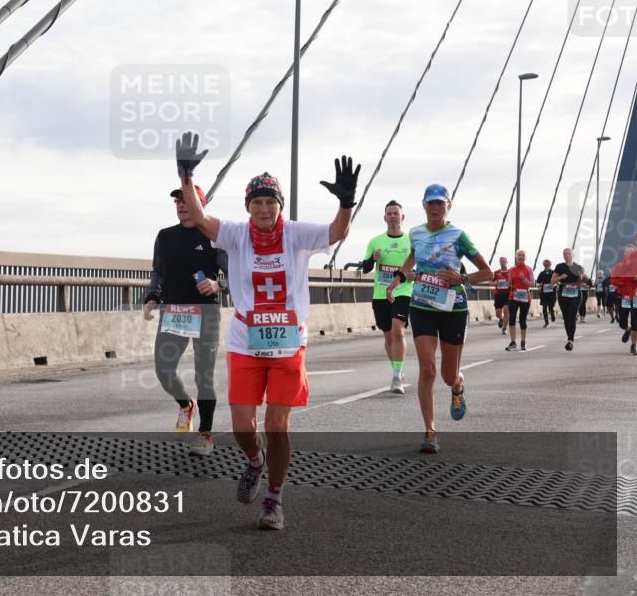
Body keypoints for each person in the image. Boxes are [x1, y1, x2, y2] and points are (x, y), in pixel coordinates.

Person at [176, 130, 358, 531]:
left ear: (280, 205)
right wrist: (186, 178)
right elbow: (202, 220)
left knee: (277, 425)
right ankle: (254, 463)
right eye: (256, 202)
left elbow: (335, 233)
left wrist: (346, 203)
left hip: (289, 341)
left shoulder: (295, 234)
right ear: (248, 207)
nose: (263, 208)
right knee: (243, 428)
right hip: (245, 340)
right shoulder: (237, 234)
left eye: (270, 201)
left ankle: (274, 497)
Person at [386, 184, 493, 454]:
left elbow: (487, 272)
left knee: (446, 376)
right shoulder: (416, 233)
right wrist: (398, 279)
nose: (435, 208)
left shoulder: (459, 235)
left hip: (453, 310)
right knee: (426, 370)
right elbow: (412, 257)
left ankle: (458, 384)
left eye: (439, 203)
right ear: (423, 206)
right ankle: (430, 431)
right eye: (430, 203)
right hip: (422, 305)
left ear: (448, 205)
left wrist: (462, 278)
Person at [143, 183, 228, 455]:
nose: (180, 204)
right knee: (163, 370)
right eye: (177, 201)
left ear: (198, 204)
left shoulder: (214, 236)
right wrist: (152, 296)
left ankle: (205, 434)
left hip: (206, 312)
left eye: (185, 200)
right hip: (175, 312)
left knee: (205, 375)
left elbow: (232, 273)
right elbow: (159, 272)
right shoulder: (165, 236)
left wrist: (218, 285)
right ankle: (185, 405)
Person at [361, 200, 412, 393]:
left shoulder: (410, 241)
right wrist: (371, 259)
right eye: (389, 214)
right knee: (389, 337)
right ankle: (397, 367)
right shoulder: (376, 241)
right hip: (381, 294)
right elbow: (365, 269)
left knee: (398, 331)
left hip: (403, 291)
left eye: (396, 213)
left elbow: (416, 266)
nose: (392, 216)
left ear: (402, 217)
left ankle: (396, 377)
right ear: (385, 218)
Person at [550, 248, 589, 351]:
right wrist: (561, 277)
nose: (566, 255)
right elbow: (552, 282)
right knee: (566, 318)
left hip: (576, 295)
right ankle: (569, 337)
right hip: (563, 295)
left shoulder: (579, 267)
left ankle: (570, 340)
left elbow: (584, 279)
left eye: (568, 254)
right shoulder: (560, 266)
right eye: (564, 254)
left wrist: (584, 278)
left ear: (573, 255)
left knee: (571, 316)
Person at [505, 250, 534, 352]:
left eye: (523, 255)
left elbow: (532, 284)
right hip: (513, 296)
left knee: (522, 319)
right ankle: (513, 342)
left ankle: (523, 341)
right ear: (516, 257)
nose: (521, 257)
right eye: (519, 255)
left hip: (525, 296)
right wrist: (508, 282)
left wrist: (524, 279)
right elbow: (509, 283)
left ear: (525, 257)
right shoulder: (512, 269)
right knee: (512, 317)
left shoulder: (529, 269)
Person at [610, 244, 637, 355]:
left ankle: (633, 345)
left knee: (636, 323)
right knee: (622, 323)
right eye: (627, 252)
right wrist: (622, 281)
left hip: (635, 297)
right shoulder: (619, 266)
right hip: (623, 297)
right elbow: (613, 280)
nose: (629, 254)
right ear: (624, 254)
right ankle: (627, 329)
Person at [535, 259, 557, 327]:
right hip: (544, 293)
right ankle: (546, 322)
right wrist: (539, 287)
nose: (546, 266)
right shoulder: (541, 273)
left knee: (551, 307)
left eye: (548, 265)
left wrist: (555, 284)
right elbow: (537, 282)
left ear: (550, 265)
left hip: (552, 293)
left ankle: (552, 313)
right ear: (543, 265)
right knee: (544, 307)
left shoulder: (554, 273)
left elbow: (559, 281)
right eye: (545, 265)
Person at [493, 257, 510, 335]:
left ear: (507, 262)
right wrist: (495, 283)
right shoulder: (496, 272)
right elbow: (490, 282)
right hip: (498, 294)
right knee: (497, 313)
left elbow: (514, 281)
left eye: (504, 261)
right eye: (501, 261)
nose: (502, 262)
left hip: (508, 294)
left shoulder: (510, 272)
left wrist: (510, 283)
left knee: (506, 309)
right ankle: (501, 318)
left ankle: (504, 328)